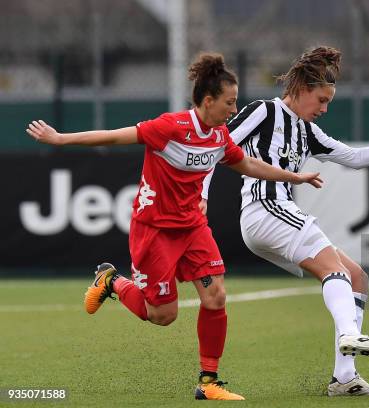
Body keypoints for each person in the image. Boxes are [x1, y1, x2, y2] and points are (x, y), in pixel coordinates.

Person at [26, 52, 322, 401]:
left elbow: (247, 164)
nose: (233, 108)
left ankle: (209, 382)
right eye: (228, 102)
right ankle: (111, 280)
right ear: (208, 100)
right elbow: (111, 136)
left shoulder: (219, 136)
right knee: (162, 315)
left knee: (216, 296)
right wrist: (60, 139)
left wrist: (293, 176)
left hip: (193, 227)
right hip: (154, 231)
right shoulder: (170, 127)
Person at [202, 46, 369, 397]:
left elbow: (353, 157)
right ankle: (349, 333)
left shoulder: (307, 131)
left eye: (328, 102)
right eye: (320, 100)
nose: (324, 109)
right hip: (264, 208)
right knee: (337, 270)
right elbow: (216, 148)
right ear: (301, 89)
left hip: (278, 215)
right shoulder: (264, 112)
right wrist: (202, 195)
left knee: (358, 278)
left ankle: (344, 378)